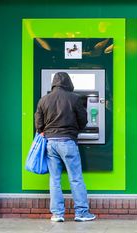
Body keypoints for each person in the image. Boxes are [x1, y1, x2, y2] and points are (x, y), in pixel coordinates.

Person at [35, 72, 96, 222]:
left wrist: (42, 131)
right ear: (68, 82)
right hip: (67, 141)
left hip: (50, 143)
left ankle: (57, 214)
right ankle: (81, 213)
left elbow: (38, 123)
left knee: (54, 179)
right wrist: (76, 130)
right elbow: (83, 119)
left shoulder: (44, 100)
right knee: (75, 178)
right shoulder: (74, 98)